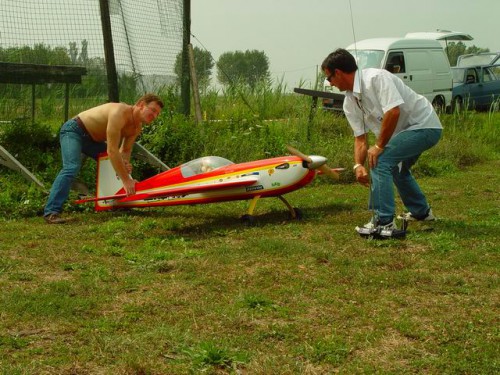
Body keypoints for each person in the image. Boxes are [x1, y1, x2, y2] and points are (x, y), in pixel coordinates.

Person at [321, 49, 442, 234]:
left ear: (338, 72)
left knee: (381, 160)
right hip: (405, 132)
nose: (330, 83)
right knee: (396, 169)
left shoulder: (376, 78)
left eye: (329, 78)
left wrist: (378, 147)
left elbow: (393, 112)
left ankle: (383, 221)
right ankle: (422, 212)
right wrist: (357, 165)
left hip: (424, 125)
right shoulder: (349, 102)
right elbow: (360, 138)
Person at [43, 93, 164, 224]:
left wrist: (126, 170)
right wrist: (126, 180)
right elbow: (112, 150)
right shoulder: (119, 112)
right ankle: (51, 212)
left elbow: (125, 150)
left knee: (115, 163)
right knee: (72, 167)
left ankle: (116, 203)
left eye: (157, 114)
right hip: (74, 130)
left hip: (92, 140)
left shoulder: (136, 127)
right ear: (141, 105)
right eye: (153, 110)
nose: (155, 116)